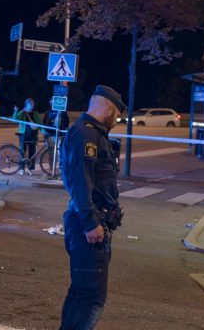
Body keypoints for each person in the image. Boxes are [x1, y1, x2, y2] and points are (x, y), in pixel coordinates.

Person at [59, 85, 126, 330]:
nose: (117, 121)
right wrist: (90, 222)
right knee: (91, 298)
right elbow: (80, 180)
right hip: (88, 225)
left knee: (82, 291)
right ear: (107, 108)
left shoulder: (90, 133)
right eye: (116, 115)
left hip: (88, 222)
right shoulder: (86, 135)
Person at [12, 98, 42, 175]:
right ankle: (21, 168)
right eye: (30, 104)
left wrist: (44, 132)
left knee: (32, 152)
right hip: (23, 135)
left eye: (33, 104)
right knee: (22, 152)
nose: (32, 105)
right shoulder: (23, 113)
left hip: (33, 135)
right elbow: (15, 120)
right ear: (27, 105)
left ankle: (30, 168)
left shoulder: (36, 114)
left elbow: (40, 124)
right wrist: (16, 111)